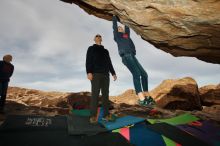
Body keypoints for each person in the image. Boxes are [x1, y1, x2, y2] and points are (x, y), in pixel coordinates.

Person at [112, 15, 155, 106]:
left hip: (132, 56)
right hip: (126, 57)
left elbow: (127, 27)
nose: (120, 28)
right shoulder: (117, 37)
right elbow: (115, 26)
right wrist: (114, 17)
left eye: (121, 28)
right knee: (136, 74)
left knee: (144, 74)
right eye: (118, 28)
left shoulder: (126, 36)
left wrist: (124, 19)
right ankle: (141, 99)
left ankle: (147, 96)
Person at [86, 34, 117, 124]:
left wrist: (113, 73)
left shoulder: (105, 51)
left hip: (105, 75)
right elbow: (88, 60)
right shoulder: (91, 48)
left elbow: (109, 62)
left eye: (100, 36)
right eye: (96, 36)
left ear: (101, 39)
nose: (98, 37)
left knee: (105, 95)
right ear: (94, 39)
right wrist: (89, 72)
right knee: (95, 94)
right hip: (95, 74)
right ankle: (92, 116)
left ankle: (106, 115)